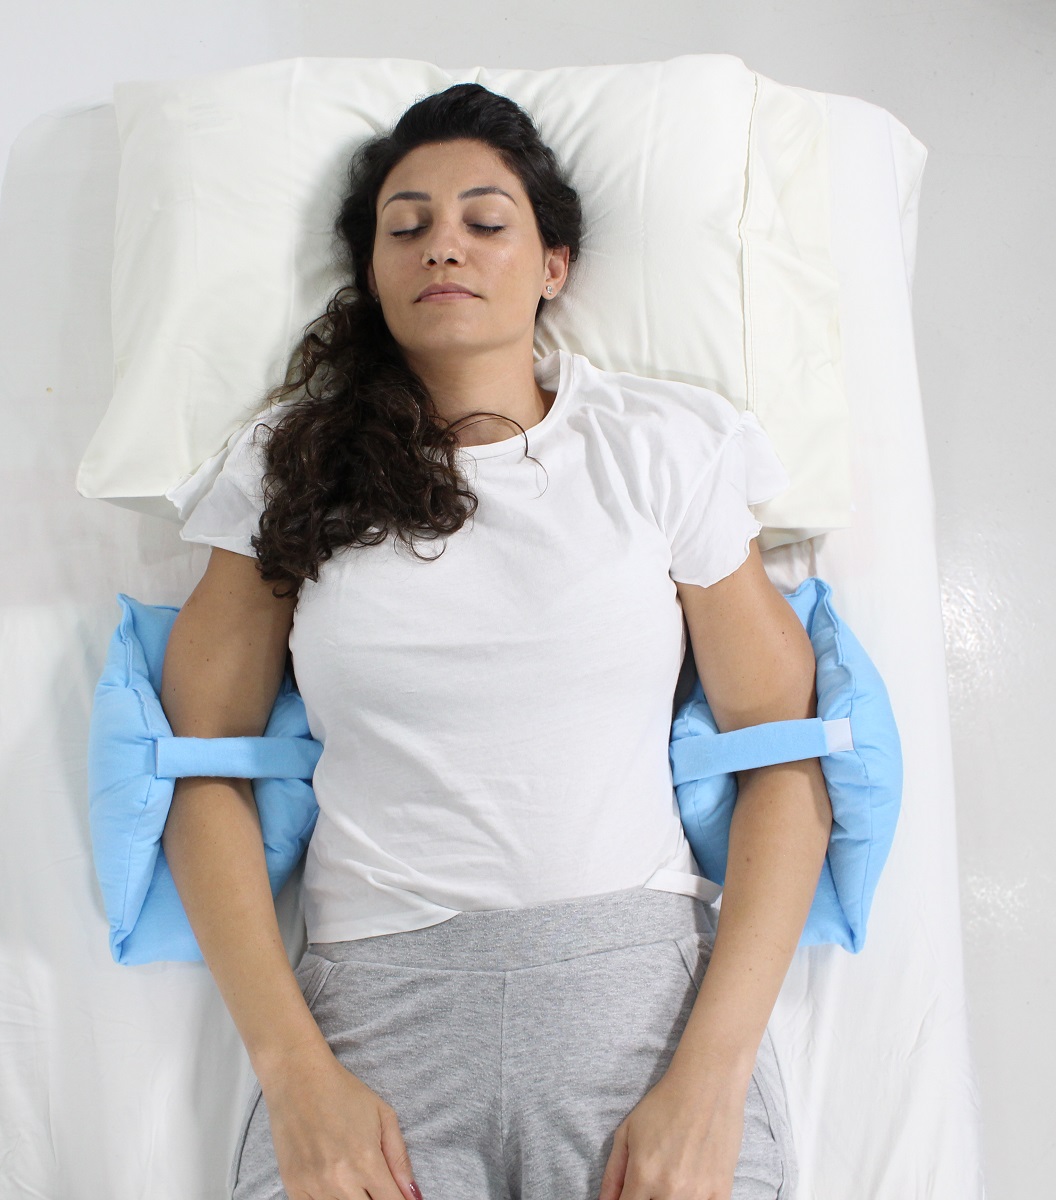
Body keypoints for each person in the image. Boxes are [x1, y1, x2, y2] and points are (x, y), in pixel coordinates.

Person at [159, 82, 832, 1200]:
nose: (444, 247)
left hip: (640, 1017)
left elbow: (786, 757)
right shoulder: (289, 466)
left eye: (485, 221)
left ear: (554, 264)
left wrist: (713, 1081)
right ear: (372, 273)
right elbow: (200, 769)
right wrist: (293, 1077)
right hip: (373, 1027)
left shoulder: (663, 447)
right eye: (406, 226)